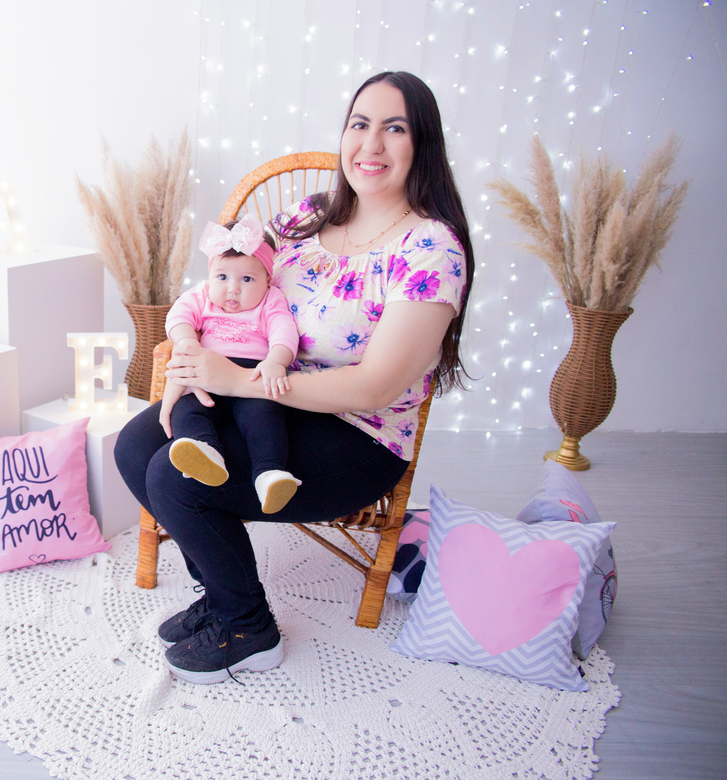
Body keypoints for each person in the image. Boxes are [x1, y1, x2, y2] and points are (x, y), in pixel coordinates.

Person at [113, 71, 475, 685]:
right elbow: (221, 288)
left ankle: (249, 627)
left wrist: (235, 383)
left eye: (395, 128)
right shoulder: (306, 218)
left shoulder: (431, 252)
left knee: (173, 473)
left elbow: (376, 388)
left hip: (353, 432)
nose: (372, 145)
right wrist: (185, 364)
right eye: (360, 125)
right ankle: (223, 590)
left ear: (424, 145)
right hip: (260, 398)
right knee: (136, 445)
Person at [161, 214, 302, 515]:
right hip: (206, 379)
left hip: (251, 377)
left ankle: (269, 473)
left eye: (246, 279)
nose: (232, 289)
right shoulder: (201, 295)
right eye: (222, 277)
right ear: (211, 276)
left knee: (264, 416)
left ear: (267, 280)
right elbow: (178, 314)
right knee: (187, 410)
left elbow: (284, 330)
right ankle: (205, 452)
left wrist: (276, 361)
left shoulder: (271, 300)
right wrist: (186, 341)